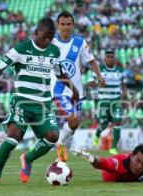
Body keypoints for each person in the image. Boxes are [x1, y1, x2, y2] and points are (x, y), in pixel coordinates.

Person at [0, 17, 79, 186]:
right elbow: (0, 66)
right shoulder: (21, 48)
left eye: (51, 37)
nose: (48, 40)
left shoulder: (54, 52)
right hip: (22, 101)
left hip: (43, 103)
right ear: (36, 33)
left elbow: (60, 74)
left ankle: (27, 159)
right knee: (14, 136)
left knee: (53, 136)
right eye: (45, 36)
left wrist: (74, 89)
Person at [50, 11, 105, 162]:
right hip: (59, 89)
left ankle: (60, 161)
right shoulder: (51, 42)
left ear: (73, 25)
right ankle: (59, 144)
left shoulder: (79, 43)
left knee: (74, 125)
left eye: (68, 24)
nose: (66, 27)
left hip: (77, 91)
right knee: (73, 120)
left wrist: (99, 76)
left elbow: (92, 61)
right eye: (62, 24)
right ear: (58, 25)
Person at [89, 50, 126, 154]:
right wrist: (98, 84)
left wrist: (124, 94)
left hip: (116, 100)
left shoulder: (120, 70)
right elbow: (90, 82)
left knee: (117, 121)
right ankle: (97, 134)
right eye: (108, 57)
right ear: (105, 59)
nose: (110, 58)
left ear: (115, 58)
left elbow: (124, 83)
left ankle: (113, 148)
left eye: (112, 57)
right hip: (103, 100)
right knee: (104, 124)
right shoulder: (99, 69)